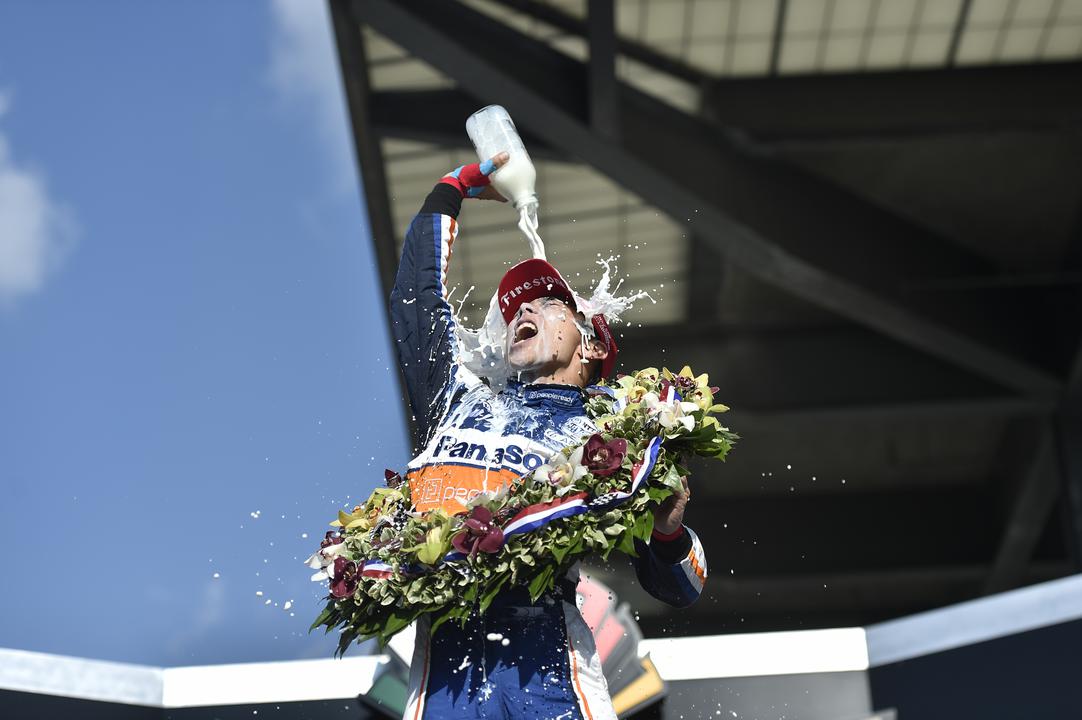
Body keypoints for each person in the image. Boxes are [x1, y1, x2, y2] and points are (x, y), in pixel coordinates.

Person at [391, 152, 707, 720]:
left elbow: (682, 587)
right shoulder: (456, 400)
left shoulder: (612, 427)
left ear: (591, 346)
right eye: (516, 307)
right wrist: (451, 189)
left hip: (550, 679)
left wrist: (668, 528)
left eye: (548, 303)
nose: (523, 310)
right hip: (441, 686)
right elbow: (416, 304)